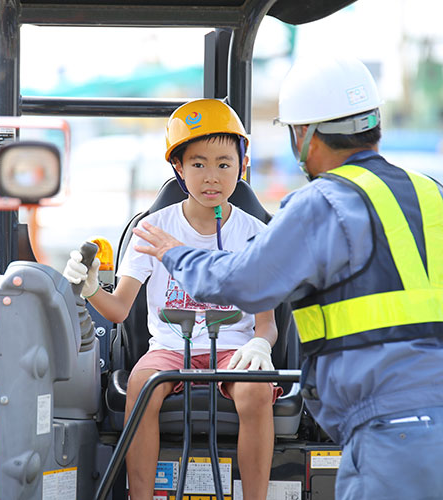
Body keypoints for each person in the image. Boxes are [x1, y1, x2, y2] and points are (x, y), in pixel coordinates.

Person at [133, 55, 443, 500]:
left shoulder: (323, 203)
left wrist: (175, 254)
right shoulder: (432, 194)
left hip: (389, 434)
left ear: (305, 136)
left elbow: (241, 283)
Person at [63, 98, 280, 500]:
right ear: (178, 167)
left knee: (255, 390)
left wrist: (259, 343)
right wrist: (92, 288)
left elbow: (265, 323)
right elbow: (119, 308)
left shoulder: (256, 234)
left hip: (233, 349)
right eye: (198, 164)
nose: (211, 176)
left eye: (223, 163)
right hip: (168, 348)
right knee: (143, 385)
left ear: (242, 166)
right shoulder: (152, 230)